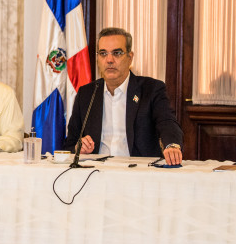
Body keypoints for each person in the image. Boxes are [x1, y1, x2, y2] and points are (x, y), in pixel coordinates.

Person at [64, 27, 183, 165]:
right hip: (96, 170)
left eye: (117, 53)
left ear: (130, 57)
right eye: (103, 53)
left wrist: (171, 145)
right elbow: (70, 144)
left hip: (138, 170)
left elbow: (167, 122)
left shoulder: (151, 89)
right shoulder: (87, 94)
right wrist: (79, 148)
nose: (109, 60)